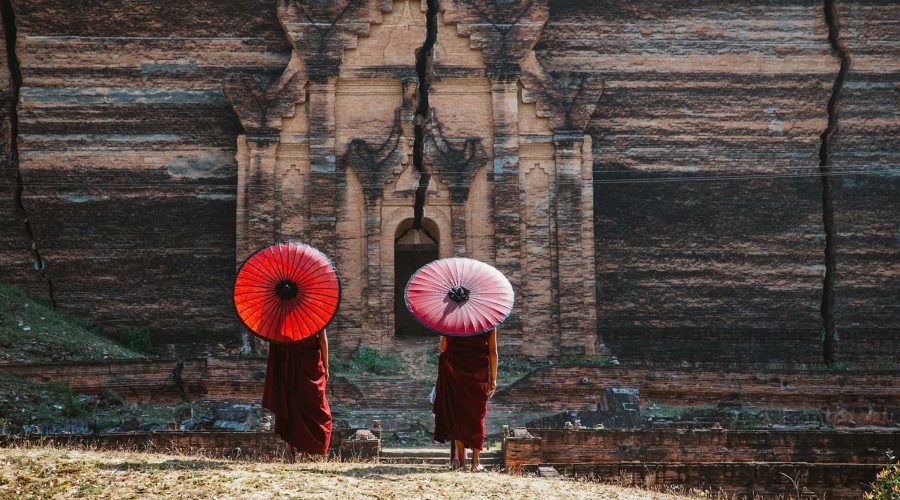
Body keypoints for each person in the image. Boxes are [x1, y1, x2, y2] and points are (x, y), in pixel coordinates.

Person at [432, 327, 498, 472]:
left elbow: (444, 348)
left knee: (457, 414)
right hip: (478, 372)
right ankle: (475, 463)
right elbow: (492, 351)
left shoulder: (452, 321)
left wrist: (446, 332)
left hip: (455, 371)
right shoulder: (487, 321)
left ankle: (461, 464)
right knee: (477, 415)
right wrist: (493, 378)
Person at [262, 328, 333, 463]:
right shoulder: (314, 316)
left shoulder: (282, 320)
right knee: (313, 408)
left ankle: (290, 450)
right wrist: (326, 366)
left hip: (288, 370)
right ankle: (305, 452)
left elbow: (276, 344)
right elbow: (323, 340)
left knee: (290, 405)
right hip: (311, 366)